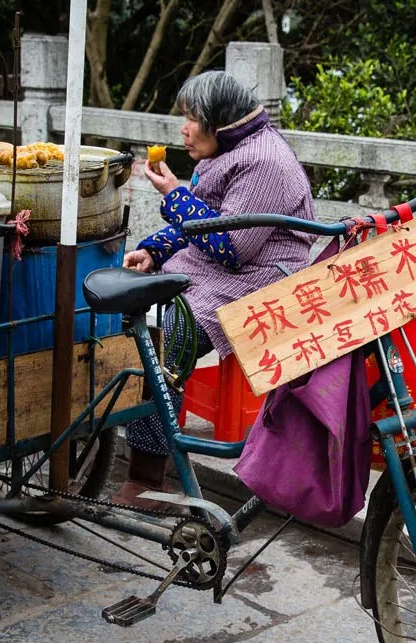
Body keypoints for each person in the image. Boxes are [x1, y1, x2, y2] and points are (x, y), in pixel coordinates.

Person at [115, 70, 316, 509]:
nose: (183, 129)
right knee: (128, 314)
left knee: (172, 336)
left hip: (257, 277)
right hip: (215, 270)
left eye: (192, 118)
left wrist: (174, 195)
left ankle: (146, 477)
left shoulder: (265, 161)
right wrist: (154, 250)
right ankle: (144, 455)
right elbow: (202, 221)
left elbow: (231, 246)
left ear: (220, 120)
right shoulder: (224, 151)